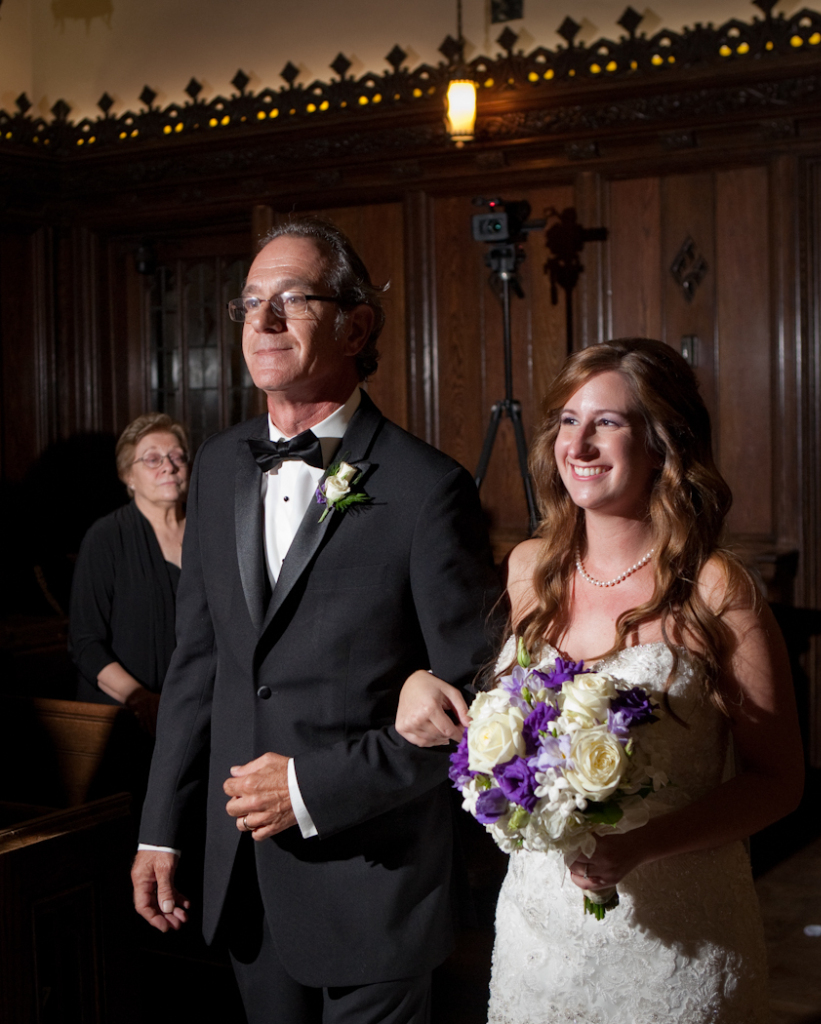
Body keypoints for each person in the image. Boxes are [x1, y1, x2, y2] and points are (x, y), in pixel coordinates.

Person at [130, 216, 499, 1024]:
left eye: (291, 299)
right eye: (249, 302)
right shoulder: (219, 464)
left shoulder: (427, 488)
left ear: (355, 326)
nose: (261, 321)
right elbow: (197, 666)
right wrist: (160, 829)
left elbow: (476, 707)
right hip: (242, 876)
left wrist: (308, 787)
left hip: (374, 879)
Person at [395, 338, 804, 1024]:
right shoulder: (529, 570)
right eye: (568, 421)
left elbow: (777, 781)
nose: (578, 444)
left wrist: (642, 844)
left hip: (676, 940)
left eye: (607, 422)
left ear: (661, 445)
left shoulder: (713, 589)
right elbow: (487, 703)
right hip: (537, 934)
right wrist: (418, 683)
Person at [69, 412, 189, 736]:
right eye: (152, 459)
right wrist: (139, 699)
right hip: (125, 720)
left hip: (196, 715)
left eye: (176, 456)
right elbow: (85, 643)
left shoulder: (208, 534)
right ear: (128, 475)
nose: (168, 466)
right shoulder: (106, 538)